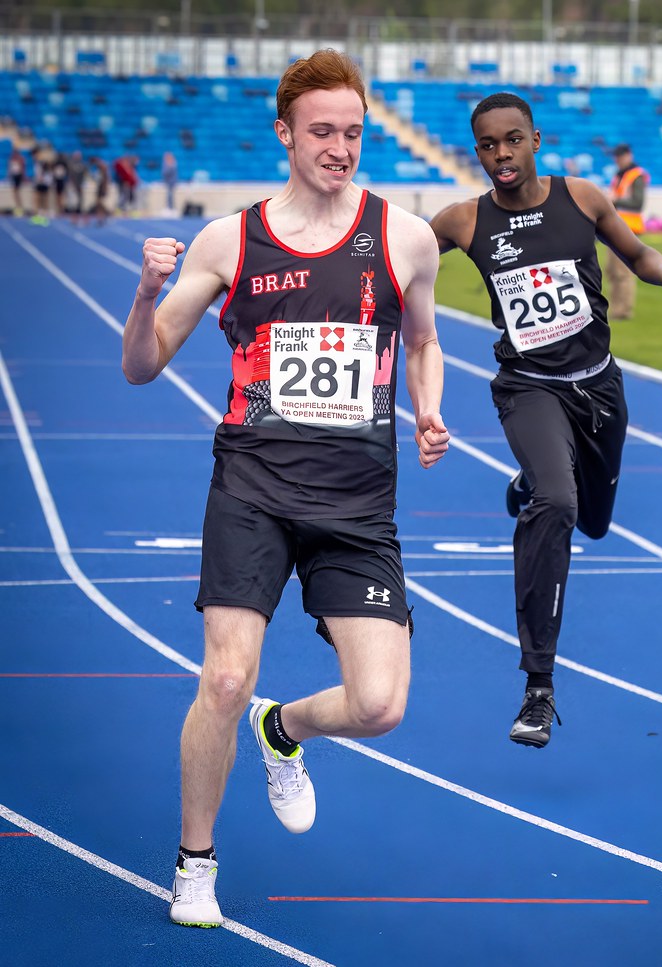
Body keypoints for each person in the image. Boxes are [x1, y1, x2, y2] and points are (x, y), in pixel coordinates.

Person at [121, 48, 449, 928]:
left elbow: (422, 340)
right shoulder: (232, 239)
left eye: (353, 132)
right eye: (322, 132)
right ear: (285, 134)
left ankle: (285, 730)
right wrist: (147, 291)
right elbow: (144, 366)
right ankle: (195, 860)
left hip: (356, 503)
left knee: (379, 705)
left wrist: (428, 407)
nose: (340, 148)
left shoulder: (405, 237)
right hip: (254, 488)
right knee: (224, 678)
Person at [430, 92, 662, 748]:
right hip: (529, 387)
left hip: (599, 387)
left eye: (512, 140)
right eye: (488, 145)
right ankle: (538, 686)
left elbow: (638, 255)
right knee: (557, 501)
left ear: (535, 140)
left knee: (594, 521)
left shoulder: (582, 198)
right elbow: (393, 259)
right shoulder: (463, 221)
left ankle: (532, 484)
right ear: (478, 152)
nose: (501, 154)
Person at [604, 142, 649, 320]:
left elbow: (638, 203)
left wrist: (615, 200)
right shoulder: (619, 175)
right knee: (612, 271)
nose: (618, 160)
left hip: (629, 229)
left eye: (620, 156)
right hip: (615, 228)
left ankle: (623, 311)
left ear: (628, 155)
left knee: (623, 271)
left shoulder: (636, 175)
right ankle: (615, 308)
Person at [7, 147, 27, 214]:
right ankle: (18, 207)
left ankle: (20, 207)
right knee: (15, 193)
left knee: (17, 193)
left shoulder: (20, 159)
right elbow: (10, 168)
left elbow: (22, 168)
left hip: (18, 176)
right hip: (14, 176)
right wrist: (9, 175)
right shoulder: (12, 159)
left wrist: (23, 177)